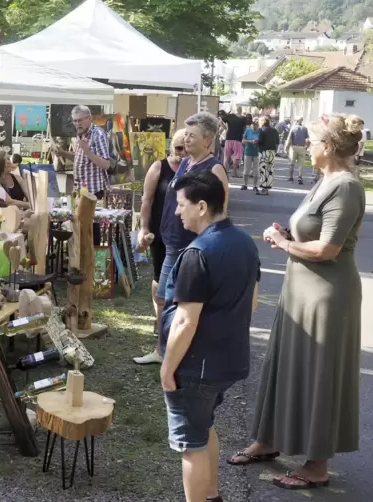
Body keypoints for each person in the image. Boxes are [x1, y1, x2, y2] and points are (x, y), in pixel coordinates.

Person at [228, 114, 366, 491]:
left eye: (313, 140)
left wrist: (283, 243)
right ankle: (268, 441)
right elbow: (314, 233)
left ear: (329, 147)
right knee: (284, 362)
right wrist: (289, 234)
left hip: (326, 294)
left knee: (319, 371)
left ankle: (317, 465)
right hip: (301, 287)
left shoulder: (346, 187)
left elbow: (328, 248)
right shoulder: (326, 181)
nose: (307, 144)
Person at [160, 170, 260, 502]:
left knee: (190, 444)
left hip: (196, 365)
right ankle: (213, 494)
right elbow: (253, 302)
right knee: (205, 426)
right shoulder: (246, 242)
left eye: (181, 204)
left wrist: (167, 367)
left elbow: (186, 322)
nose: (177, 211)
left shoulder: (198, 253)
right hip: (229, 360)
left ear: (202, 206)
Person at [155, 113, 229, 315]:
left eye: (192, 136)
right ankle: (164, 344)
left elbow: (221, 212)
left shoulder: (214, 168)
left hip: (192, 244)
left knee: (179, 301)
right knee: (163, 298)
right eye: (185, 134)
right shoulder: (186, 163)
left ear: (207, 140)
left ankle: (172, 344)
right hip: (172, 240)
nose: (186, 139)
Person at [133, 129, 188, 365]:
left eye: (185, 148)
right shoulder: (159, 168)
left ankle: (172, 333)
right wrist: (144, 229)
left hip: (185, 237)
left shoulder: (194, 168)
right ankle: (161, 324)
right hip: (160, 234)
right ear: (169, 147)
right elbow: (146, 200)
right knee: (160, 282)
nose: (181, 154)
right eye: (177, 148)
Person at [53, 105, 110, 244]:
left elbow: (106, 164)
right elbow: (80, 158)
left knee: (91, 231)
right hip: (80, 191)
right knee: (80, 230)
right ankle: (80, 261)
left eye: (80, 120)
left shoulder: (98, 135)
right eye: (74, 121)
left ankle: (93, 261)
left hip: (94, 192)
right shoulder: (80, 134)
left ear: (89, 118)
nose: (77, 124)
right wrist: (63, 153)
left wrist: (87, 150)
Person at [256, 116, 279, 195]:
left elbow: (260, 141)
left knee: (263, 170)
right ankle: (268, 187)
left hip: (264, 152)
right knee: (270, 171)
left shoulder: (263, 130)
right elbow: (277, 142)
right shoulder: (274, 130)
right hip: (272, 152)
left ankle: (264, 188)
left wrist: (256, 142)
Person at [222, 106, 246, 178]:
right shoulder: (243, 118)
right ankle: (234, 173)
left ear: (235, 110)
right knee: (236, 157)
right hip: (237, 140)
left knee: (226, 157)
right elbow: (245, 128)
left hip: (228, 139)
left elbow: (220, 120)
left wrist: (225, 128)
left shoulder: (230, 116)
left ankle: (224, 173)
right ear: (241, 110)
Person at [285, 117, 310, 184]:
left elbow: (289, 139)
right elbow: (307, 139)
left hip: (294, 147)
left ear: (296, 121)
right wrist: (307, 147)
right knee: (301, 164)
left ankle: (291, 177)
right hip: (302, 147)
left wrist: (286, 148)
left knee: (291, 164)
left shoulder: (293, 128)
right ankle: (300, 177)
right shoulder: (305, 128)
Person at [241, 118, 260, 191]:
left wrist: (258, 142)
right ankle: (245, 184)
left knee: (256, 170)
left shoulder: (260, 131)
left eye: (256, 124)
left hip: (257, 153)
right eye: (253, 124)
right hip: (248, 152)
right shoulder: (248, 130)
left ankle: (255, 185)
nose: (254, 126)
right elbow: (243, 141)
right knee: (246, 169)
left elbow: (262, 141)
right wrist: (250, 141)